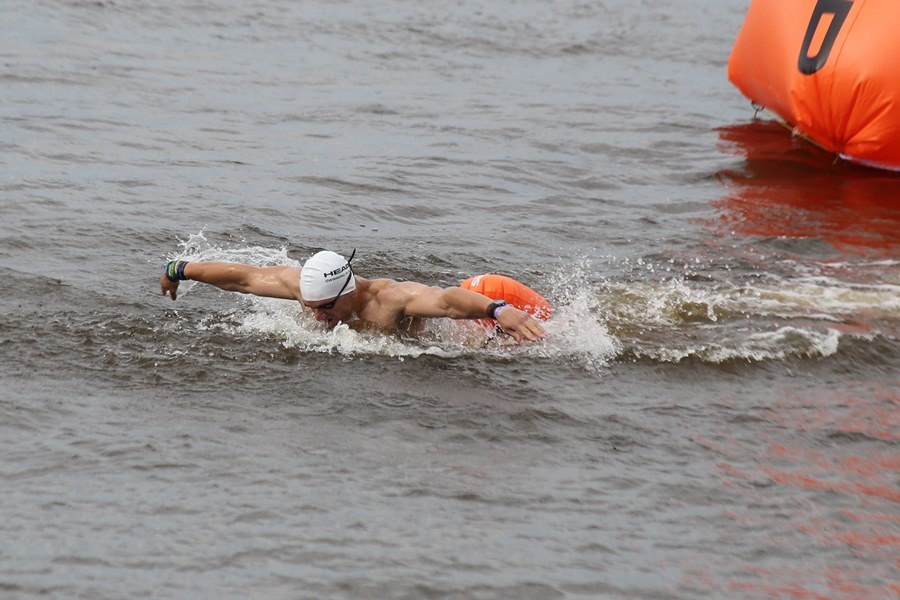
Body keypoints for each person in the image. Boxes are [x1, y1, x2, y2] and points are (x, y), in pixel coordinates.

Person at [160, 250, 549, 342]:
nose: (317, 318)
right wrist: (178, 269)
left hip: (491, 299)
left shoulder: (391, 299)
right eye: (310, 308)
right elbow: (243, 279)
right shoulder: (307, 287)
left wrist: (499, 311)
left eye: (325, 309)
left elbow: (447, 301)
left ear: (346, 292)